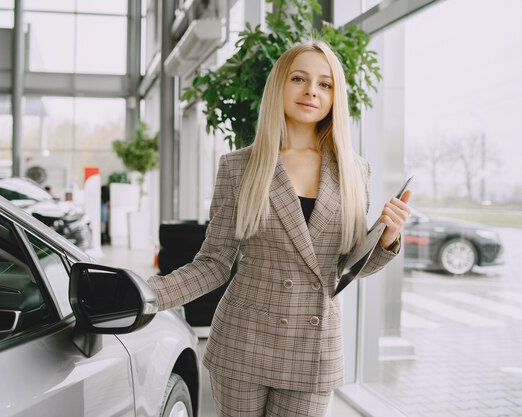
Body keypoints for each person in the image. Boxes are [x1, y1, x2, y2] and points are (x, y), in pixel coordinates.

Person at [147, 40, 411, 417]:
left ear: (336, 96)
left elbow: (345, 270)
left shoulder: (356, 171)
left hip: (313, 347)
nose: (311, 91)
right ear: (279, 86)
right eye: (299, 79)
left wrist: (386, 238)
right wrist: (146, 293)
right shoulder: (239, 166)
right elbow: (214, 263)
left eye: (325, 84)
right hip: (243, 340)